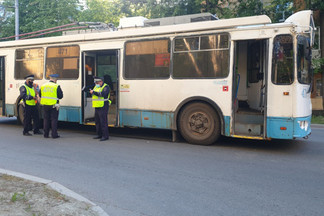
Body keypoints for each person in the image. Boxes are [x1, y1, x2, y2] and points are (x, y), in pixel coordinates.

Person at [40, 74, 63, 139]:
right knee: (54, 120)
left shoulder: (43, 85)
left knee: (46, 119)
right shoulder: (56, 86)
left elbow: (40, 94)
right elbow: (60, 96)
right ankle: (54, 134)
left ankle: (46, 134)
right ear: (55, 79)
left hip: (45, 105)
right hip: (53, 106)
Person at [88, 76, 110, 141]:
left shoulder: (106, 87)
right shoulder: (96, 86)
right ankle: (99, 134)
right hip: (97, 106)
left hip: (103, 106)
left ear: (101, 81)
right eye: (96, 82)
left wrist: (93, 92)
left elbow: (103, 94)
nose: (96, 83)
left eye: (97, 82)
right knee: (97, 122)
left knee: (103, 122)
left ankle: (105, 136)